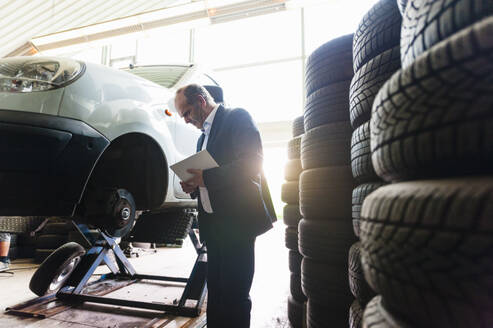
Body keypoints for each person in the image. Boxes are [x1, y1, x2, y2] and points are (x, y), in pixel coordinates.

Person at [174, 84, 276, 328]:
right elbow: (210, 179)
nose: (186, 120)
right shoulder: (201, 138)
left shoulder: (236, 118)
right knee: (217, 295)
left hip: (237, 225)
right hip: (214, 227)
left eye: (187, 112)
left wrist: (205, 178)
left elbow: (253, 164)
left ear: (201, 101)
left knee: (234, 295)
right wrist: (194, 186)